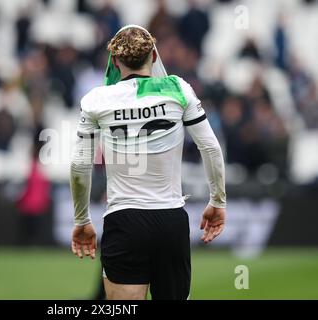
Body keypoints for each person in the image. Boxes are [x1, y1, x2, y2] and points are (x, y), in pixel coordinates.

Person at [70, 26, 226, 300]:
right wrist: (218, 201)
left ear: (115, 62)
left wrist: (82, 219)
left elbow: (80, 165)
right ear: (154, 56)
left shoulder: (96, 99)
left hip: (124, 220)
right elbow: (210, 147)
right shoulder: (177, 88)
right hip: (170, 220)